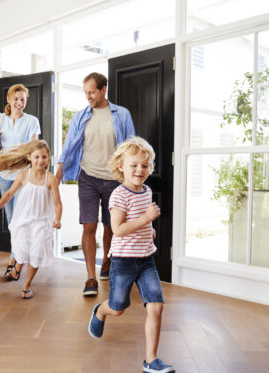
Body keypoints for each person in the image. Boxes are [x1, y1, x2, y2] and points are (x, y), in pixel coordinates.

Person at [88, 137, 175, 373]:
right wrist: (146, 219)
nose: (140, 170)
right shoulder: (119, 195)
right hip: (124, 262)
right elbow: (118, 229)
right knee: (118, 308)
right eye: (134, 165)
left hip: (146, 260)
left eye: (144, 166)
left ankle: (151, 360)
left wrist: (149, 230)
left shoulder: (146, 191)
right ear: (121, 167)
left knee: (156, 306)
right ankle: (100, 311)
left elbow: (138, 222)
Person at [56, 72, 135, 296]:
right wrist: (60, 169)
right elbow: (70, 144)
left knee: (111, 226)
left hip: (114, 179)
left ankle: (107, 261)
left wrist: (131, 176)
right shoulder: (80, 116)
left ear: (103, 90)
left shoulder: (121, 114)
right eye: (86, 93)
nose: (88, 96)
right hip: (88, 177)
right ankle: (91, 277)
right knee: (89, 225)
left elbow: (131, 145)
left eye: (92, 92)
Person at [0, 140, 62, 299]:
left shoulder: (50, 179)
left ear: (48, 157)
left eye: (44, 157)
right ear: (29, 157)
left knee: (36, 253)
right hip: (23, 219)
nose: (40, 161)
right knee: (21, 247)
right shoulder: (23, 176)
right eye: (36, 157)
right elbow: (9, 194)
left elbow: (57, 202)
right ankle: (17, 267)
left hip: (42, 222)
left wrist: (57, 219)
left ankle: (27, 285)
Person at [0, 84, 41, 281]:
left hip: (23, 177)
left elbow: (34, 147)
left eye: (23, 100)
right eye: (17, 99)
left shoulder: (32, 121)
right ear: (9, 99)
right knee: (12, 221)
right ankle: (17, 256)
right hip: (4, 175)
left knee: (20, 220)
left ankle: (14, 261)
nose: (20, 103)